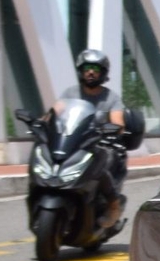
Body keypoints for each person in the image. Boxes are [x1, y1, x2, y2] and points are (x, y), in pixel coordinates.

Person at [60, 48, 145, 201]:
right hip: (74, 143)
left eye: (95, 68)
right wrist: (41, 123)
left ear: (103, 72)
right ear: (81, 71)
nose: (91, 72)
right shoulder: (69, 93)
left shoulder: (111, 98)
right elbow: (54, 113)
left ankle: (112, 203)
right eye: (87, 68)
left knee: (102, 164)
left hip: (99, 144)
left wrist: (113, 129)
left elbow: (118, 122)